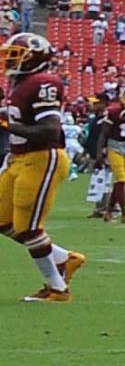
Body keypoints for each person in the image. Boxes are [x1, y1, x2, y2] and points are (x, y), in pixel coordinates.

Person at [0, 32, 84, 303]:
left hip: (41, 158)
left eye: (16, 56)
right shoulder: (23, 83)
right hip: (19, 158)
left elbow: (48, 130)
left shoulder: (44, 82)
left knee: (29, 227)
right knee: (2, 219)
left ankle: (57, 288)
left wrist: (5, 124)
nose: (10, 61)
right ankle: (63, 258)